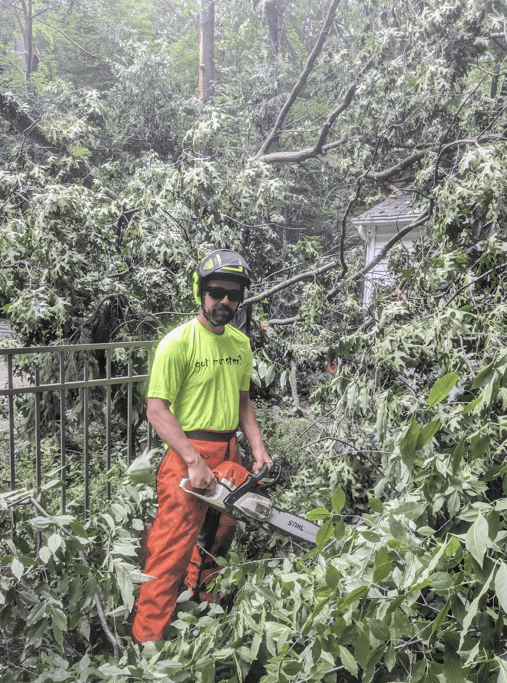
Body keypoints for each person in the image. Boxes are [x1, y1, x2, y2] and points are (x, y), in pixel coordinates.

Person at [132, 248, 273, 643]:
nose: (224, 301)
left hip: (229, 452)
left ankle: (204, 614)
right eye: (216, 292)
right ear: (201, 292)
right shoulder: (177, 343)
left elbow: (243, 401)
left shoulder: (240, 344)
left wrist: (257, 448)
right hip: (187, 455)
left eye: (233, 294)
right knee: (169, 552)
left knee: (218, 540)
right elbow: (157, 411)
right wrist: (193, 460)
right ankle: (148, 642)